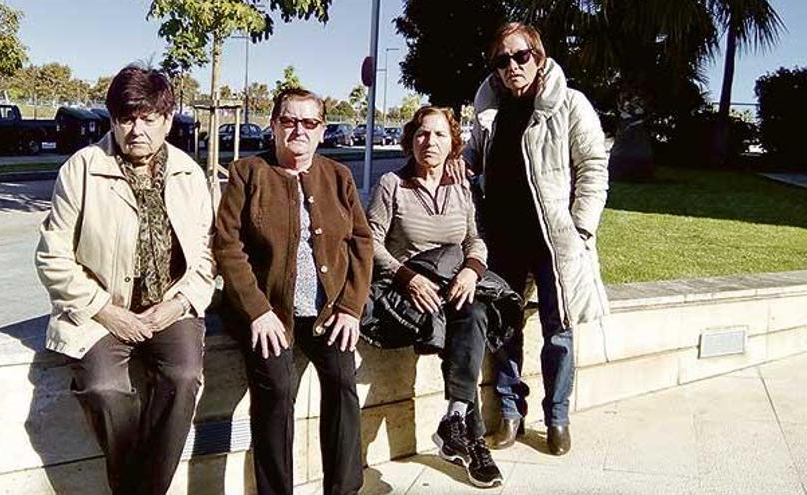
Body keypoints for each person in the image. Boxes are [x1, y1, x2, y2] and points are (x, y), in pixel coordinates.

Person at [35, 64, 216, 494]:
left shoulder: (190, 175)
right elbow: (51, 255)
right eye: (126, 118)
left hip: (170, 305)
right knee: (104, 389)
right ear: (113, 120)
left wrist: (179, 303)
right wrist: (105, 311)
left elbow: (208, 256)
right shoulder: (83, 169)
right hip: (100, 309)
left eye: (148, 118)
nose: (137, 129)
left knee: (185, 377)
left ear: (167, 119)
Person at [457, 22, 610, 455]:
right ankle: (510, 414)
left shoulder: (570, 105)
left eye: (520, 56)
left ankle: (557, 417)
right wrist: (462, 163)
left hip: (554, 242)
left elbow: (594, 169)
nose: (511, 67)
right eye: (501, 61)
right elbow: (474, 154)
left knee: (557, 330)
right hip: (503, 239)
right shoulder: (490, 110)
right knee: (505, 330)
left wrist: (580, 229)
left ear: (538, 57)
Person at [215, 88, 373, 495]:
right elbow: (227, 246)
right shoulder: (246, 173)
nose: (298, 130)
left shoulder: (338, 177)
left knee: (341, 382)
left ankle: (344, 488)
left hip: (327, 311)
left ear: (321, 130)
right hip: (270, 312)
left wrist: (351, 306)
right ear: (273, 126)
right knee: (276, 392)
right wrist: (256, 310)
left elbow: (361, 242)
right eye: (288, 121)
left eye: (309, 122)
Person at [366, 106, 504, 488]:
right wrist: (408, 276)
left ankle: (455, 418)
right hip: (407, 291)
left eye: (440, 135)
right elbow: (371, 242)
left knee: (473, 312)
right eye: (423, 134)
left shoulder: (461, 185)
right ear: (411, 140)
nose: (430, 141)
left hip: (452, 285)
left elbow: (474, 240)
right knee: (468, 321)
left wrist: (470, 271)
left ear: (452, 143)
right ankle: (470, 440)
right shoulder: (392, 184)